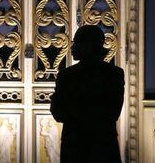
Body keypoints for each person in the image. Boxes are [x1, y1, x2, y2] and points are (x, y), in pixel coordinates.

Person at [50, 25, 125, 163]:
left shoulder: (67, 76)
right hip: (103, 147)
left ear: (88, 45)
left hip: (76, 148)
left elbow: (59, 112)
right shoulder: (114, 74)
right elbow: (112, 112)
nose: (72, 47)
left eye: (76, 42)